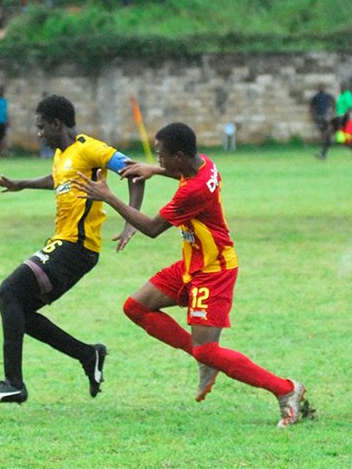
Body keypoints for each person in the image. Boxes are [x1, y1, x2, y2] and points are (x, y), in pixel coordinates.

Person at [70, 122, 315, 428]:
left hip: (214, 271)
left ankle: (286, 390)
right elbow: (183, 172)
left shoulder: (192, 192)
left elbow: (152, 228)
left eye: (161, 156)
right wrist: (155, 170)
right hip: (192, 262)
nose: (158, 159)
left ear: (180, 156)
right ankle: (204, 359)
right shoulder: (206, 165)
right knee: (136, 307)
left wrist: (109, 197)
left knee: (209, 349)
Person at [0, 94, 144, 405]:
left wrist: (132, 220)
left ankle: (13, 383)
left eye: (41, 127)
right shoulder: (61, 155)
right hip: (63, 244)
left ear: (57, 124)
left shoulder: (89, 148)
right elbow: (57, 178)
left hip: (77, 248)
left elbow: (134, 171)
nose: (38, 133)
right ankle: (87, 354)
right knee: (20, 311)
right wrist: (22, 184)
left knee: (7, 292)